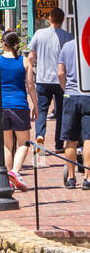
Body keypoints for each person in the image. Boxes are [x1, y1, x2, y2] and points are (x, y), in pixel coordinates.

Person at [0, 30, 37, 192]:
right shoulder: (24, 62)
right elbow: (30, 86)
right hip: (19, 105)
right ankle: (15, 171)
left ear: (3, 43)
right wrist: (36, 105)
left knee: (6, 144)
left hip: (1, 106)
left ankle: (9, 177)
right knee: (23, 142)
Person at [29, 7, 73, 161]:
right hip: (61, 80)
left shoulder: (39, 34)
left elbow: (31, 56)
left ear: (49, 18)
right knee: (61, 112)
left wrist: (30, 72)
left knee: (41, 111)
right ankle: (59, 143)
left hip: (42, 79)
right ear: (62, 20)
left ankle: (40, 139)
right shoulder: (68, 37)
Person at [57, 38, 88, 188]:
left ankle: (71, 177)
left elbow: (60, 73)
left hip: (71, 94)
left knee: (70, 139)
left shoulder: (67, 46)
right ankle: (87, 178)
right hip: (88, 94)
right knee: (89, 139)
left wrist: (66, 89)